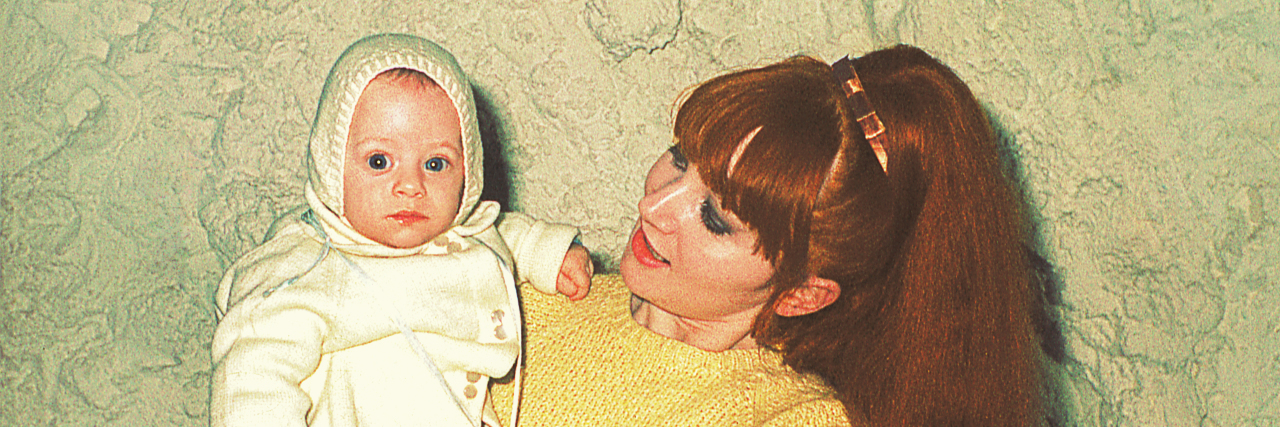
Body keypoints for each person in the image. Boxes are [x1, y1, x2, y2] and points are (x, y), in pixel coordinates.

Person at [492, 45, 1041, 426]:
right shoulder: (516, 296)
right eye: (680, 159)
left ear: (800, 293)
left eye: (714, 218)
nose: (654, 205)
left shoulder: (794, 420)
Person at [210, 33, 592, 427]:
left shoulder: (466, 231)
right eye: (379, 161)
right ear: (330, 162)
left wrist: (549, 252)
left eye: (436, 164)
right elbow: (250, 378)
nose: (411, 186)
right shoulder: (306, 267)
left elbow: (501, 230)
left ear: (469, 173)